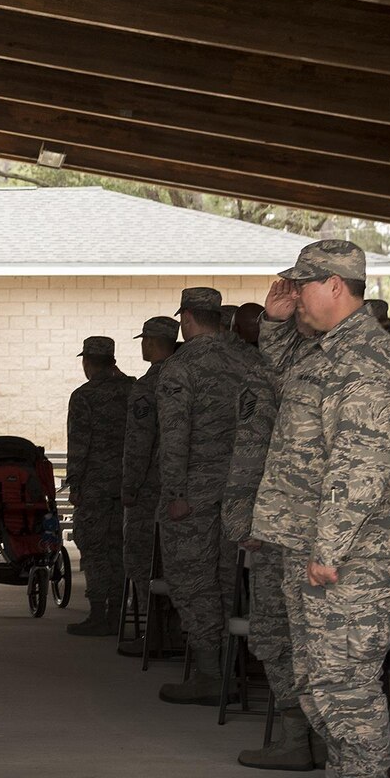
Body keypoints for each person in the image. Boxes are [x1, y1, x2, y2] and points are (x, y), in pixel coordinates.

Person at [258, 240, 390, 778]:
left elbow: (361, 465)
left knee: (347, 688)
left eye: (301, 288)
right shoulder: (329, 351)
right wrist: (273, 319)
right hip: (317, 549)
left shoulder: (366, 361)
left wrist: (329, 547)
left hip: (346, 560)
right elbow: (280, 371)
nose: (294, 299)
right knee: (322, 685)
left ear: (335, 286)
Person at [152, 287, 256, 704]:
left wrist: (175, 492)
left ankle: (209, 675)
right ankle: (230, 669)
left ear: (187, 318)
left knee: (193, 583)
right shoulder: (248, 363)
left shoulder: (180, 369)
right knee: (228, 580)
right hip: (237, 493)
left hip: (192, 495)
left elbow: (175, 437)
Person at [229, 306, 308, 769]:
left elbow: (251, 449)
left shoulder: (269, 376)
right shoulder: (349, 368)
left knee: (276, 632)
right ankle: (317, 742)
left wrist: (242, 518)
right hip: (333, 532)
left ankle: (296, 740)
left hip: (280, 528)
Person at [64, 336, 135, 637]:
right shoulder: (135, 390)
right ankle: (118, 612)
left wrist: (75, 483)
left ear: (88, 362)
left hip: (94, 486)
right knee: (119, 549)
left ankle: (97, 613)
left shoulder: (85, 396)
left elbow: (79, 445)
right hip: (128, 484)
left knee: (93, 549)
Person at [116, 315, 178, 658]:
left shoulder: (149, 385)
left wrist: (130, 487)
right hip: (182, 488)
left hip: (149, 491)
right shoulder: (187, 375)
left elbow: (138, 444)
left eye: (145, 340)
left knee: (142, 562)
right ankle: (176, 633)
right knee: (176, 564)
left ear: (153, 342)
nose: (143, 345)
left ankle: (153, 636)